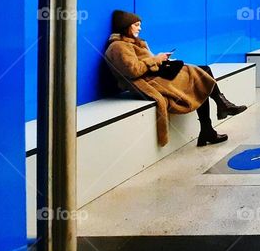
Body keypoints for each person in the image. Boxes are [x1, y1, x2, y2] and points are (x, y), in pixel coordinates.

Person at [103, 10, 247, 148]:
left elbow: (147, 63)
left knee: (200, 76)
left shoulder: (135, 43)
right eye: (136, 25)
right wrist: (156, 59)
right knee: (201, 74)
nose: (140, 28)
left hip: (156, 76)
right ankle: (217, 113)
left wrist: (162, 59)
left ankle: (211, 123)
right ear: (125, 26)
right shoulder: (118, 47)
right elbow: (133, 71)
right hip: (148, 83)